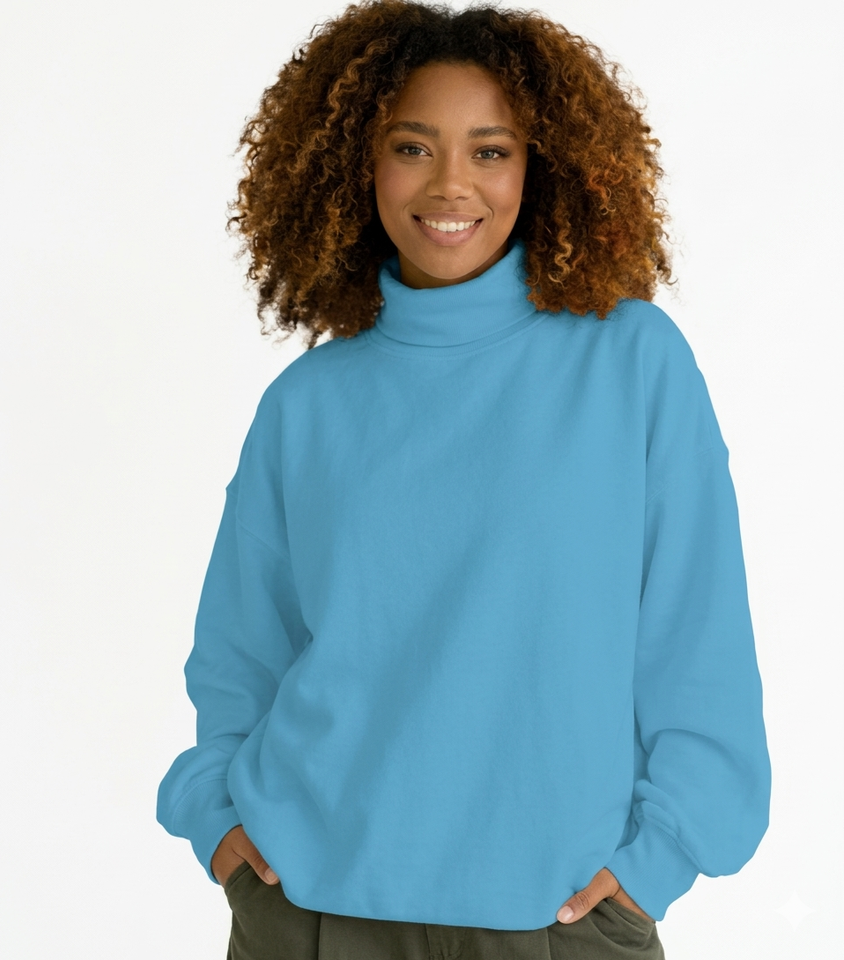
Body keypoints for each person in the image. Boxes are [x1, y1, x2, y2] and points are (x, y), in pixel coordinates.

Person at [157, 2, 772, 958]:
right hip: (310, 909)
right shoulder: (307, 403)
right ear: (358, 164)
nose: (450, 183)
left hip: (558, 915)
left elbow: (698, 640)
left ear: (541, 166)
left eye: (490, 151)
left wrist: (662, 857)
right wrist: (217, 818)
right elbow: (241, 653)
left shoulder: (631, 363)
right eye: (412, 147)